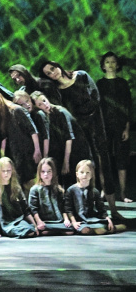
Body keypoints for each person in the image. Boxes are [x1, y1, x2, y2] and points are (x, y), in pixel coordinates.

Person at [38, 57, 122, 220]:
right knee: (87, 166)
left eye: (52, 69)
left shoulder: (81, 75)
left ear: (57, 65)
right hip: (80, 131)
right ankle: (91, 210)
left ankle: (114, 210)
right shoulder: (57, 91)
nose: (52, 73)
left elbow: (96, 97)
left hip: (96, 124)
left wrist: (86, 113)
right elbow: (67, 113)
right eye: (48, 73)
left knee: (104, 164)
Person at [0, 90, 40, 190]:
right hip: (16, 155)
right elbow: (4, 137)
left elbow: (32, 130)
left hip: (28, 152)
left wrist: (37, 150)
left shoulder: (16, 110)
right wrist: (2, 156)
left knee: (32, 182)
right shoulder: (1, 115)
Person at [96, 52, 132, 203]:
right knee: (104, 160)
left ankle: (123, 193)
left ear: (117, 65)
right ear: (103, 66)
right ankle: (105, 191)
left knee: (122, 159)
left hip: (120, 126)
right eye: (107, 62)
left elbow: (128, 106)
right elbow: (97, 107)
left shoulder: (123, 83)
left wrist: (127, 128)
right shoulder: (99, 84)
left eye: (113, 62)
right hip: (104, 127)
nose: (110, 64)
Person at [31, 90, 87, 183]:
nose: (44, 104)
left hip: (76, 149)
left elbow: (69, 138)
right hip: (65, 151)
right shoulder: (47, 115)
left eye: (44, 100)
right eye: (40, 104)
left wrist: (66, 162)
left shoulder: (60, 112)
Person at [64, 159, 126, 235]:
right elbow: (68, 209)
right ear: (77, 174)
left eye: (87, 172)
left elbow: (101, 209)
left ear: (91, 175)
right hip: (79, 220)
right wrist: (73, 222)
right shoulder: (71, 190)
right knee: (85, 230)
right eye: (82, 172)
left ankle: (111, 228)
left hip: (92, 219)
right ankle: (103, 230)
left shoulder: (94, 191)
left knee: (100, 229)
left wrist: (108, 219)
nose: (85, 175)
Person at [0, 158, 38, 238]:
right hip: (5, 224)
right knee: (26, 231)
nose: (6, 173)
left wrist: (35, 226)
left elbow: (26, 210)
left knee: (31, 230)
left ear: (12, 171)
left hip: (19, 222)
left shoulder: (16, 188)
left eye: (8, 170)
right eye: (3, 171)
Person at [28, 158, 72, 235]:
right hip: (45, 222)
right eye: (43, 171)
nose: (46, 174)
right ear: (39, 173)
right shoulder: (35, 189)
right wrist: (39, 221)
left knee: (70, 231)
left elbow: (63, 207)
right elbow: (33, 209)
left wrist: (66, 219)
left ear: (53, 172)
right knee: (44, 231)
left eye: (49, 171)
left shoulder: (58, 189)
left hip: (59, 221)